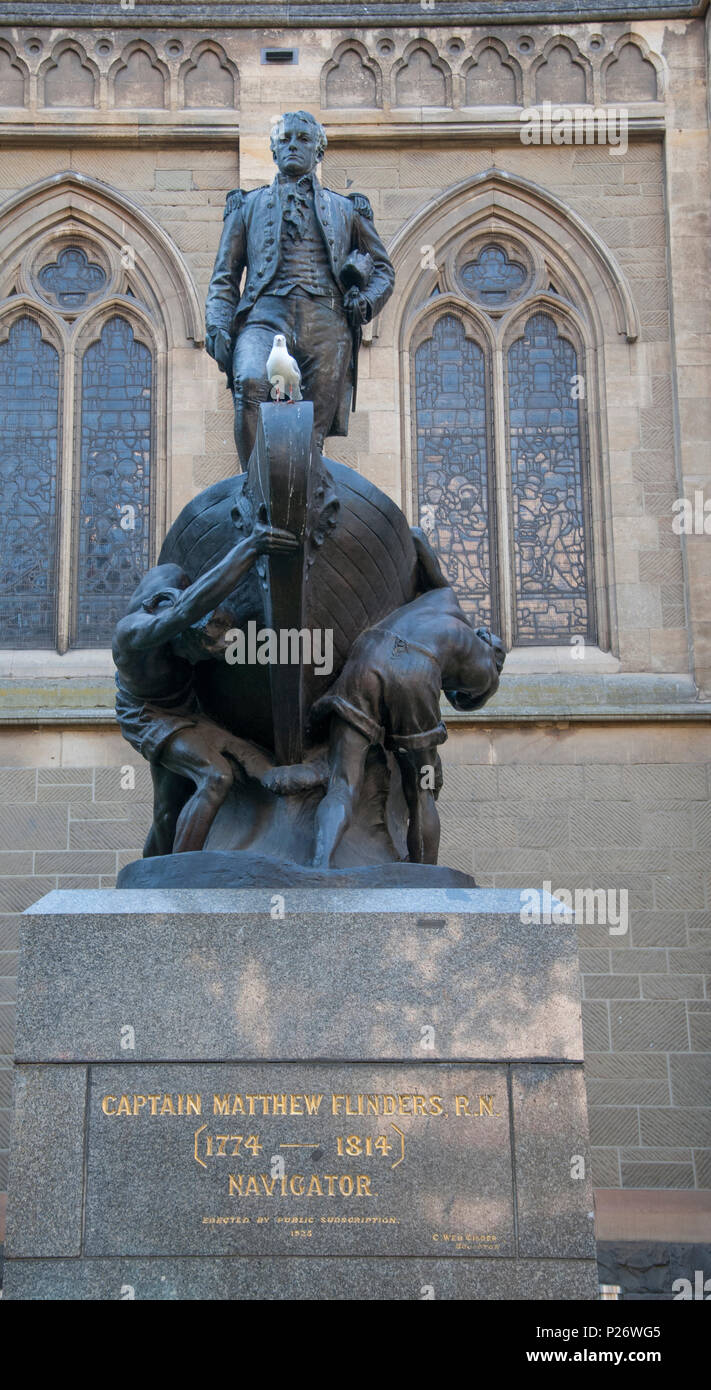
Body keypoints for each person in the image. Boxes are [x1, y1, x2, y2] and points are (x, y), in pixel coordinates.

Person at [264, 533, 505, 867]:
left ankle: (319, 868)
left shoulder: (444, 596)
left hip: (369, 654)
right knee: (423, 787)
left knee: (343, 783)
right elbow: (465, 701)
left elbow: (417, 536)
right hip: (416, 670)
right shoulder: (490, 671)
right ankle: (424, 876)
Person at [205, 110, 395, 467]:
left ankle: (304, 498)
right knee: (249, 384)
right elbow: (225, 277)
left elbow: (383, 269)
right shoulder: (247, 206)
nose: (293, 146)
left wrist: (365, 302)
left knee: (310, 438)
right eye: (285, 140)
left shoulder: (346, 209)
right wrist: (216, 325)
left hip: (327, 321)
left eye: (304, 140)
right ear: (274, 152)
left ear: (319, 152)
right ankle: (251, 486)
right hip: (264, 316)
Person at [113, 524, 298, 857]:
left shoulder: (172, 581)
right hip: (148, 716)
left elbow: (191, 603)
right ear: (178, 635)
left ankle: (148, 880)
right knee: (215, 776)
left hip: (187, 711)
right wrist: (250, 547)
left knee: (169, 809)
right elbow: (185, 611)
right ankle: (181, 876)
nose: (200, 661)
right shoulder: (135, 634)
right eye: (198, 654)